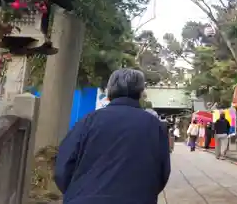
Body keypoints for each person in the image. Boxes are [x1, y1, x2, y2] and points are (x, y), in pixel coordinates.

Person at [54, 68, 170, 204]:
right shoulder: (154, 126)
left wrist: (76, 192)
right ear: (140, 92)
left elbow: (63, 167)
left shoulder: (88, 121)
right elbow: (162, 171)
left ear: (109, 91)